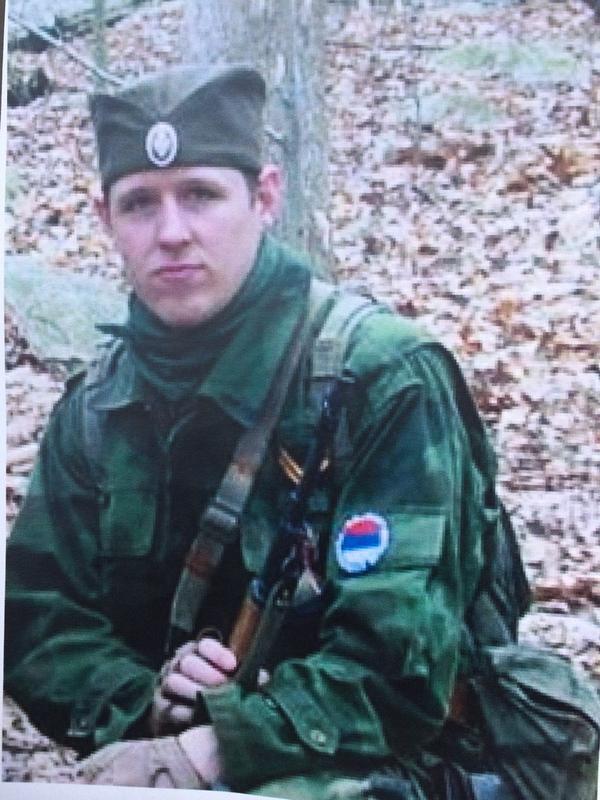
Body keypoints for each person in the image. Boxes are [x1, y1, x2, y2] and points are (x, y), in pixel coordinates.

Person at [4, 64, 532, 798]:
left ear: (265, 197)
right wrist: (148, 702)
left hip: (399, 759)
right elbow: (37, 620)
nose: (172, 233)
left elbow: (399, 667)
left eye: (201, 195)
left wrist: (214, 744)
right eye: (140, 204)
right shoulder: (97, 405)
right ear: (105, 218)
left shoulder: (382, 376)